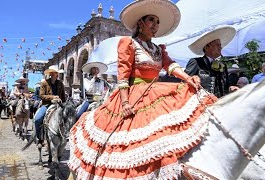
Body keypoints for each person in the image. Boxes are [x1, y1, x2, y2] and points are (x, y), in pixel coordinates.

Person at [68, 0, 215, 179]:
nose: (156, 25)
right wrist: (125, 102)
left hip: (156, 93)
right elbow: (123, 75)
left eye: (158, 22)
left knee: (165, 135)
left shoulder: (158, 49)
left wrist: (187, 78)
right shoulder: (128, 43)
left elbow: (170, 66)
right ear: (140, 23)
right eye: (151, 20)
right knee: (126, 143)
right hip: (133, 93)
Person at [185, 26, 236, 97]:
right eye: (217, 45)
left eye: (220, 45)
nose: (220, 47)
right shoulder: (196, 62)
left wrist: (231, 88)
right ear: (206, 47)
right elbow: (185, 83)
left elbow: (227, 86)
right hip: (202, 104)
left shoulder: (223, 66)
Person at [34, 65, 65, 145]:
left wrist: (63, 103)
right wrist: (52, 97)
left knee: (68, 117)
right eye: (51, 72)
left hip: (59, 104)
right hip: (47, 104)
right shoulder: (44, 83)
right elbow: (41, 95)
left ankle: (65, 135)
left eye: (54, 72)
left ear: (57, 74)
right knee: (38, 119)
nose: (52, 74)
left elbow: (63, 96)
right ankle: (39, 138)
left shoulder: (60, 84)